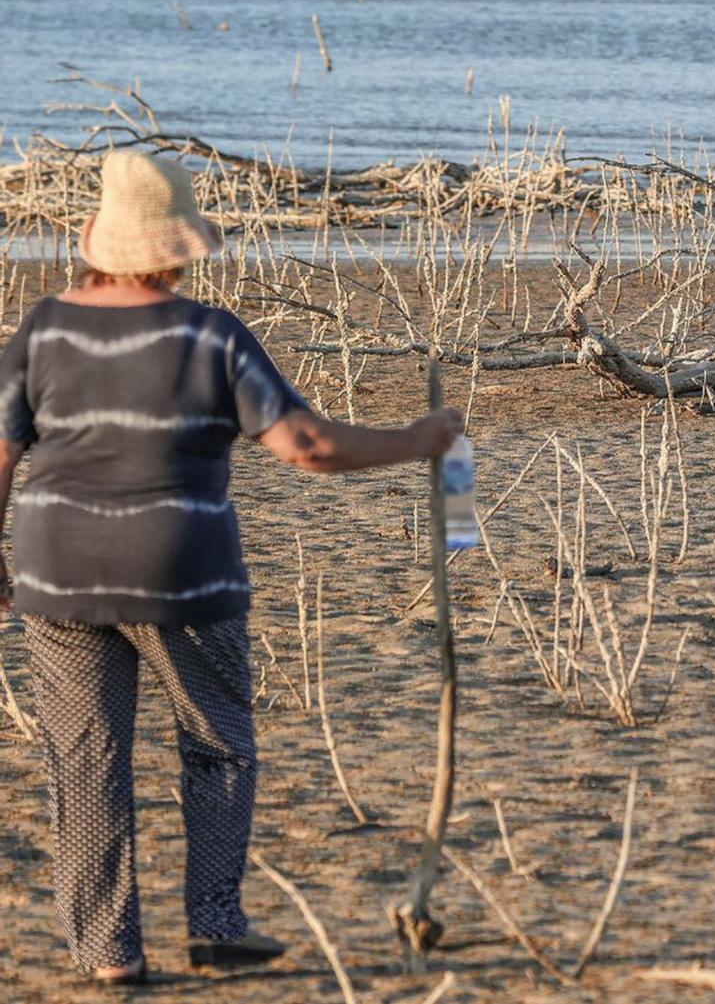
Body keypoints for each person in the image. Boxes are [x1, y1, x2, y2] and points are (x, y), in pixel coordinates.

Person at [0, 150, 462, 986]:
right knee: (217, 744)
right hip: (184, 572)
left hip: (58, 570)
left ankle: (108, 954)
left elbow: (0, 452)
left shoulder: (43, 330)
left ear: (99, 242)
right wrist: (416, 440)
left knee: (85, 758)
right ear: (176, 248)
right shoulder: (212, 336)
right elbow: (306, 445)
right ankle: (214, 922)